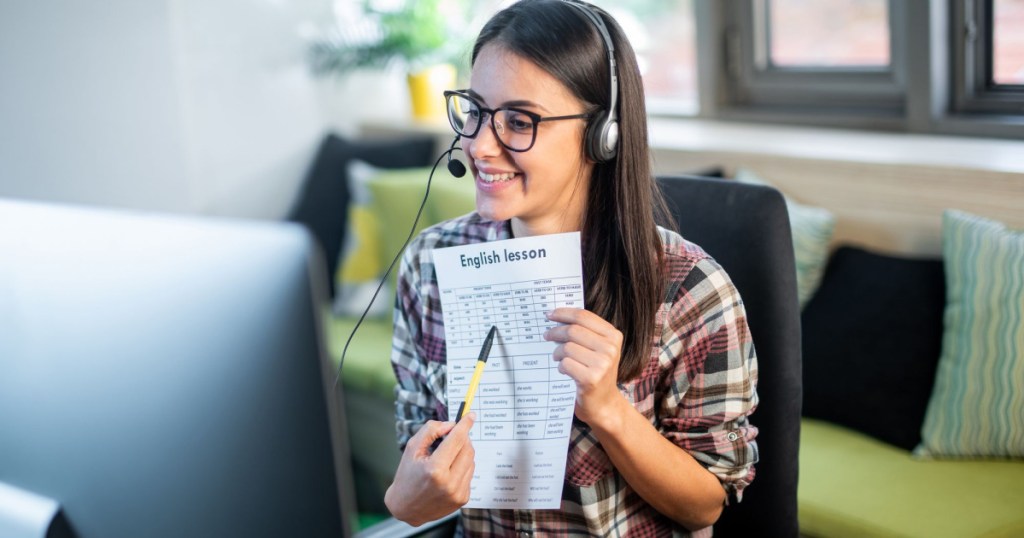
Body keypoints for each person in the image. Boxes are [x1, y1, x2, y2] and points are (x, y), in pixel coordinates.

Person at [384, 1, 758, 535]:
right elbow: (416, 457)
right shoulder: (430, 265)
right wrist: (406, 499)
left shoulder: (690, 289)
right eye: (473, 109)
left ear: (601, 133)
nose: (479, 145)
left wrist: (608, 409)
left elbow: (705, 504)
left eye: (519, 120)